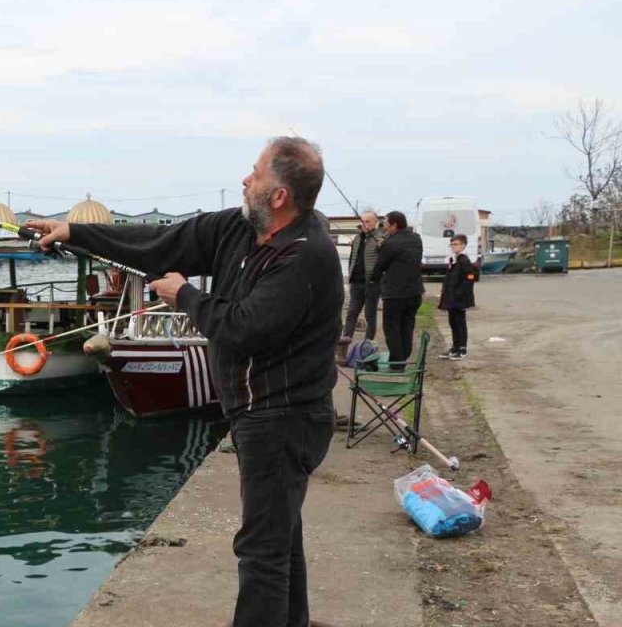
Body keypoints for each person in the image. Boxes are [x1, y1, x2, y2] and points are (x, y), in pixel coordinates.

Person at [27, 136, 343, 627]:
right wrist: (73, 232)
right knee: (280, 536)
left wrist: (186, 295)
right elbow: (159, 241)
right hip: (260, 414)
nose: (245, 179)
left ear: (279, 195)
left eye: (255, 173)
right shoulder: (237, 230)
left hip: (285, 417)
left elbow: (245, 328)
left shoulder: (306, 255)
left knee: (261, 549)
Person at [370, 210, 424, 369]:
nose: (384, 227)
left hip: (395, 294)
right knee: (407, 325)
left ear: (394, 225)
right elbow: (401, 256)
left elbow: (380, 266)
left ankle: (397, 362)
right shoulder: (416, 239)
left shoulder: (391, 243)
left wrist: (372, 280)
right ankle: (403, 357)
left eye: (386, 224)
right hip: (415, 292)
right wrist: (384, 246)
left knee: (391, 327)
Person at [339, 210, 385, 345]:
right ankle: (345, 343)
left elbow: (385, 257)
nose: (364, 224)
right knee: (351, 313)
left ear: (375, 222)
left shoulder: (381, 237)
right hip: (356, 282)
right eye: (363, 221)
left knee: (370, 315)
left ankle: (368, 345)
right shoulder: (358, 237)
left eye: (368, 221)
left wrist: (382, 245)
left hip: (372, 283)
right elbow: (353, 257)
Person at [437, 234, 476, 360]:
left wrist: (460, 294)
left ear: (463, 245)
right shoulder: (454, 260)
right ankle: (455, 347)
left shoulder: (464, 260)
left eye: (456, 244)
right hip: (451, 298)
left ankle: (462, 348)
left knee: (459, 323)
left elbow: (469, 279)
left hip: (459, 300)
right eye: (452, 244)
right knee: (452, 322)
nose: (453, 246)